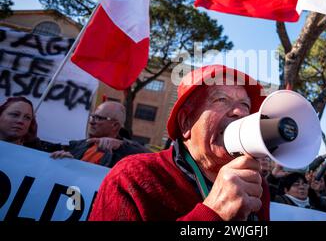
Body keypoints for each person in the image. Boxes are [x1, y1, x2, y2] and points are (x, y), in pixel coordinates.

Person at [89, 65, 271, 221]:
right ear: (186, 123)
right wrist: (212, 214)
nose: (240, 112)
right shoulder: (132, 176)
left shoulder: (255, 184)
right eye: (221, 99)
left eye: (245, 105)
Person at [50, 101, 147, 167]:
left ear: (115, 125)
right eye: (93, 117)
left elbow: (153, 158)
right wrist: (65, 161)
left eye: (99, 118)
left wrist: (122, 145)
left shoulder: (127, 155)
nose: (91, 122)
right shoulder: (77, 145)